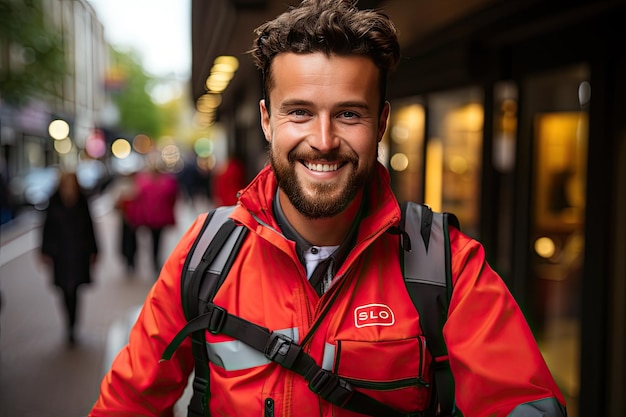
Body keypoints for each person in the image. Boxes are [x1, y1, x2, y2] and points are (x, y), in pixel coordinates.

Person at [90, 1, 567, 416]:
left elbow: (522, 402)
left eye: (348, 113)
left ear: (381, 122)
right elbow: (126, 404)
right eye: (299, 112)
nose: (323, 141)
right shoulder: (205, 255)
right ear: (266, 120)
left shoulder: (447, 266)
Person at [40, 171, 98, 345]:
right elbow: (46, 228)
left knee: (75, 290)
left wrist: (95, 250)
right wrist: (45, 250)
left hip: (79, 253)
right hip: (61, 255)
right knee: (64, 290)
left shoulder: (82, 202)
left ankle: (73, 326)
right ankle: (68, 323)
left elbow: (90, 227)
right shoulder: (53, 202)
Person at [133, 157, 179, 273]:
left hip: (150, 217)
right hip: (160, 217)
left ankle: (154, 260)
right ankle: (156, 260)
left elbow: (140, 201)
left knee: (153, 240)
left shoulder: (144, 184)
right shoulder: (167, 184)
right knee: (158, 239)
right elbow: (173, 199)